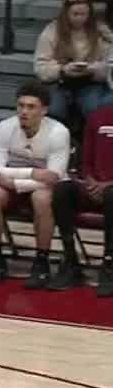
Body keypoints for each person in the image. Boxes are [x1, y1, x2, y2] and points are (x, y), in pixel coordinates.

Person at [0, 82, 71, 287]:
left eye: (31, 107)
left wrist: (17, 181)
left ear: (44, 110)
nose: (24, 111)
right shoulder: (5, 128)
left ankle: (41, 262)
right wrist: (31, 173)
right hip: (13, 182)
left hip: (41, 186)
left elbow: (53, 177)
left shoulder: (58, 133)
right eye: (21, 105)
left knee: (42, 198)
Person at [53, 104, 113, 295]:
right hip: (93, 185)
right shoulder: (97, 116)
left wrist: (108, 184)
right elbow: (85, 161)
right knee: (63, 189)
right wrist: (90, 181)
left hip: (110, 190)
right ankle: (71, 261)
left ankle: (109, 265)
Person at [33, 0, 113, 123]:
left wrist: (92, 69)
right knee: (54, 110)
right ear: (66, 13)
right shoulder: (51, 32)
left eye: (84, 14)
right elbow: (41, 67)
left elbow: (109, 65)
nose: (80, 18)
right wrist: (62, 69)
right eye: (75, 14)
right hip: (59, 82)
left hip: (90, 83)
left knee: (94, 108)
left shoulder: (101, 32)